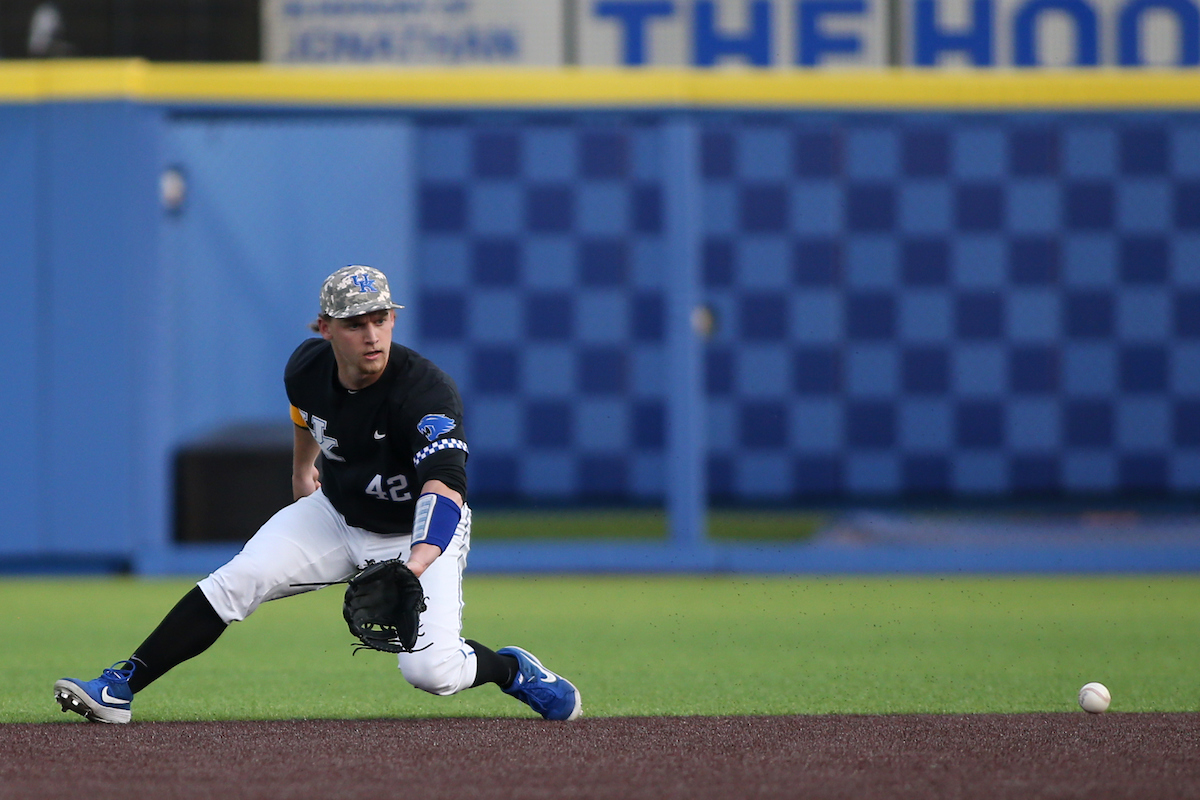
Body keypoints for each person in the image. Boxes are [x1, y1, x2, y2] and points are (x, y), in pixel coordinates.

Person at [54, 265, 581, 724]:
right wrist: (302, 471)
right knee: (238, 580)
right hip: (334, 514)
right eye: (356, 324)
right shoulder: (306, 368)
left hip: (413, 533)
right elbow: (307, 417)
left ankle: (512, 669)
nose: (372, 335)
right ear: (326, 329)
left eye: (381, 319)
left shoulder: (424, 392)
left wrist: (414, 565)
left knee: (432, 672)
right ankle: (119, 686)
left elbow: (445, 487)